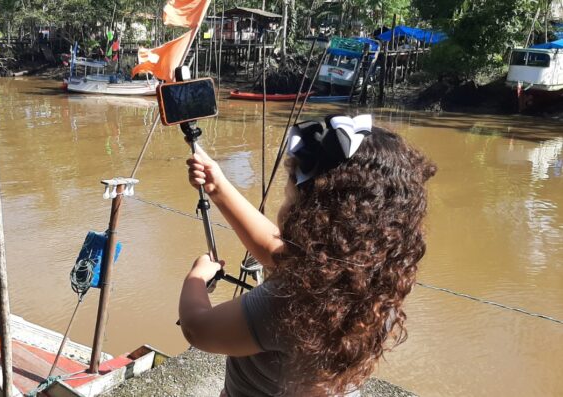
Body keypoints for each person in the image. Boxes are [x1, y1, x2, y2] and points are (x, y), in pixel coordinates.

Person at [178, 115, 437, 396]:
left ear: (310, 216)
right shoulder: (376, 286)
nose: (285, 203)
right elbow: (272, 250)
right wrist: (218, 187)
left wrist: (196, 277)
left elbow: (198, 329)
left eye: (289, 196)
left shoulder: (288, 304)